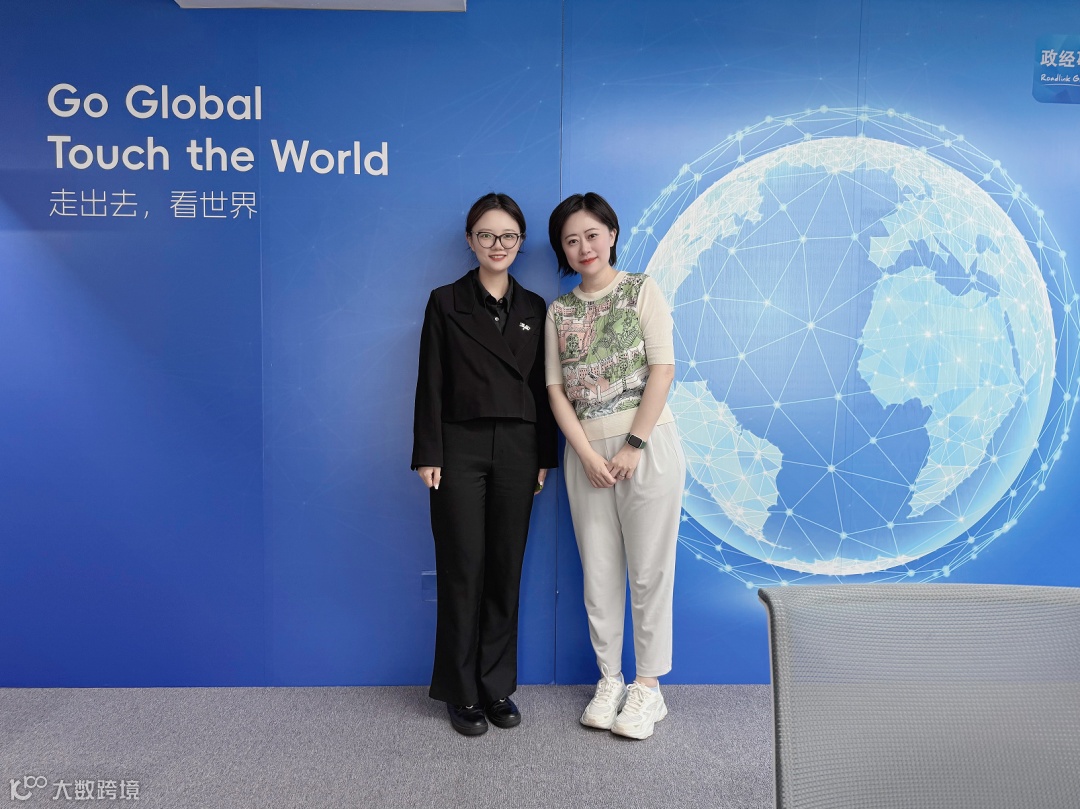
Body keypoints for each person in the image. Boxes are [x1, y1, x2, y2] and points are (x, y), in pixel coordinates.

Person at [412, 192, 557, 737]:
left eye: (508, 236)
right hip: (459, 447)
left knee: (505, 567)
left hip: (519, 448)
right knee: (462, 568)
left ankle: (496, 686)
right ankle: (461, 691)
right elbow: (430, 380)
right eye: (487, 235)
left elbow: (545, 389)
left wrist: (544, 456)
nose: (498, 245)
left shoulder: (534, 307)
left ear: (521, 243)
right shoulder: (445, 301)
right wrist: (428, 452)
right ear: (470, 240)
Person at [544, 192, 685, 740]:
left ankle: (648, 688)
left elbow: (663, 370)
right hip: (585, 455)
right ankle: (610, 679)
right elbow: (556, 390)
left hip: (647, 447)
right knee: (599, 573)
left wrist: (632, 445)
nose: (584, 247)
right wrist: (586, 454)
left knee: (649, 572)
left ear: (612, 234)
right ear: (562, 249)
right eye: (571, 240)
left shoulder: (642, 289)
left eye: (592, 235)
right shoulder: (559, 311)